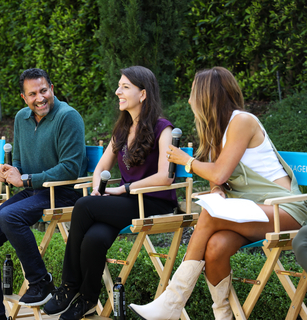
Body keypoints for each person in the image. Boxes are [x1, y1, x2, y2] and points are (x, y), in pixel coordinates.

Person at [129, 67, 307, 320]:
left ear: (206, 96)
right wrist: (216, 191)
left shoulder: (243, 121)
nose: (189, 100)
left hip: (284, 209)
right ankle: (224, 315)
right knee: (215, 247)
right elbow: (218, 181)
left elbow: (220, 173)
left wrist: (186, 161)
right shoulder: (218, 131)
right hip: (252, 212)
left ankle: (172, 301)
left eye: (192, 93)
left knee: (210, 216)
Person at [43, 66, 178, 320]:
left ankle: (69, 286)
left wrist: (121, 189)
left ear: (143, 94)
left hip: (153, 202)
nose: (118, 91)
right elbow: (101, 167)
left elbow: (165, 176)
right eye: (119, 86)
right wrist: (98, 188)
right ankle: (87, 299)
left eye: (125, 87)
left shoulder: (164, 128)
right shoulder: (123, 128)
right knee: (94, 239)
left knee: (84, 206)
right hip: (126, 202)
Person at [0, 68, 88, 320]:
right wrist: (10, 172)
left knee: (10, 216)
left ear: (52, 89)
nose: (40, 98)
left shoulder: (68, 117)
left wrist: (24, 179)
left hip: (63, 193)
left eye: (44, 91)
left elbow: (71, 168)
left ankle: (42, 281)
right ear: (24, 98)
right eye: (32, 94)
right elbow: (21, 163)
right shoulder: (22, 118)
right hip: (34, 191)